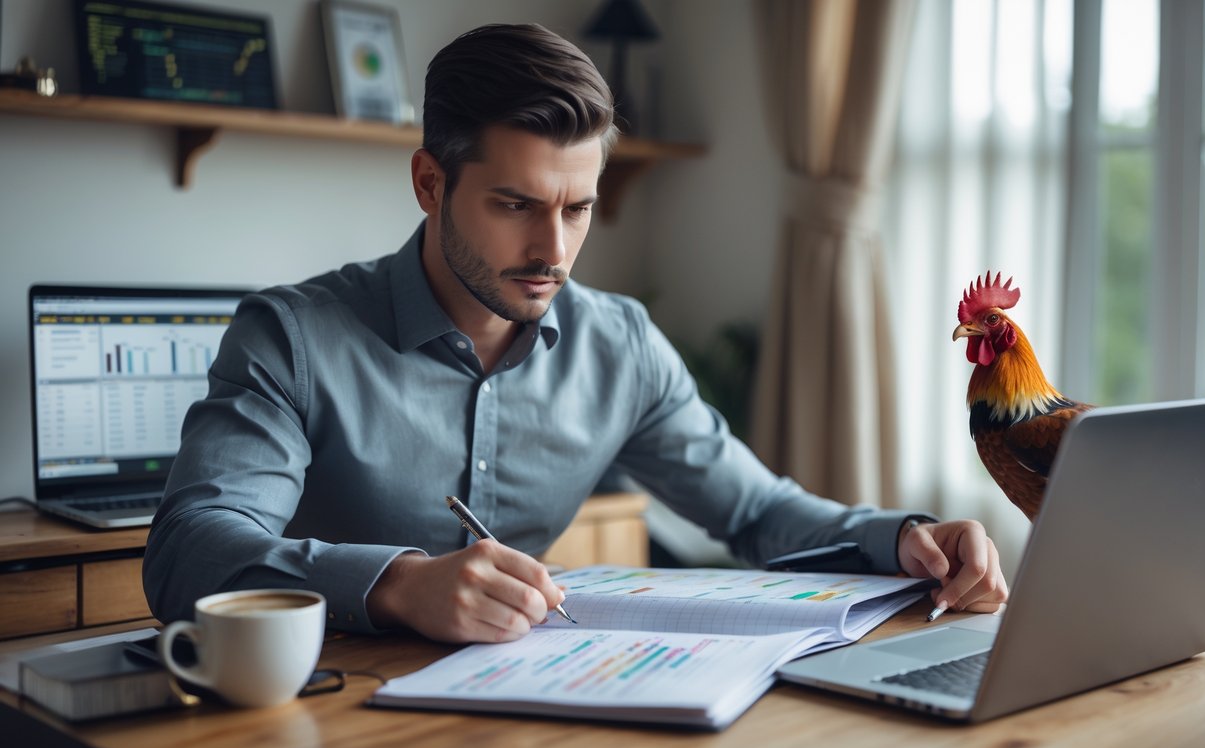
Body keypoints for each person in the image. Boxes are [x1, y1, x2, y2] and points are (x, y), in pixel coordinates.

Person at [143, 23, 1008, 644]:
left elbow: (753, 510)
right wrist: (400, 585)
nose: (551, 251)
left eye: (579, 207)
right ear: (428, 183)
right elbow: (190, 549)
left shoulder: (619, 346)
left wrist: (903, 539)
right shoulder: (291, 337)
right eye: (516, 205)